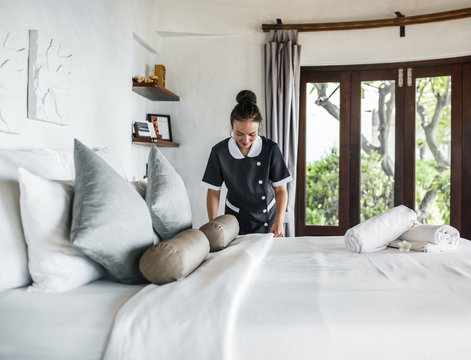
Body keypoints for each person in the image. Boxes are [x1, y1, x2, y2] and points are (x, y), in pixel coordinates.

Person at [201, 90, 292, 237]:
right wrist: (213, 225)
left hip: (268, 221)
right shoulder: (219, 152)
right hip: (234, 221)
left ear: (258, 129)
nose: (245, 140)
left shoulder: (270, 149)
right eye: (239, 134)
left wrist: (280, 221)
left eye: (252, 135)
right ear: (232, 127)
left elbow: (281, 190)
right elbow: (213, 191)